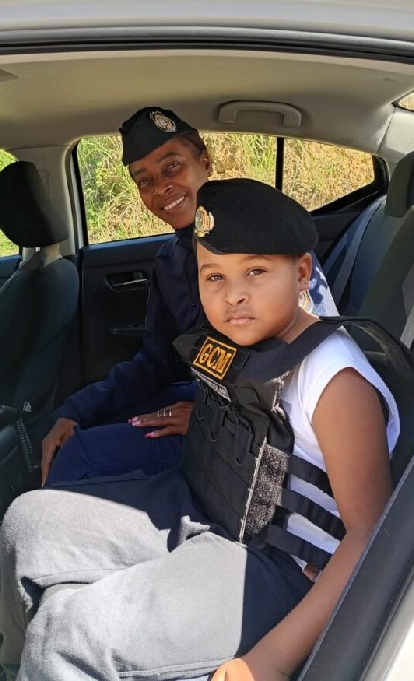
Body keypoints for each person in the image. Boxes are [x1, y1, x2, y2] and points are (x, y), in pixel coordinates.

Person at [0, 177, 399, 681]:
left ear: (301, 273)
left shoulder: (334, 382)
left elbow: (372, 535)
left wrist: (272, 660)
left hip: (280, 565)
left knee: (66, 634)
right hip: (208, 505)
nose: (233, 295)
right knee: (27, 522)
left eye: (256, 271)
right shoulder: (243, 341)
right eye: (214, 276)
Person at [43, 106, 337, 485]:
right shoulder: (170, 260)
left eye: (172, 167)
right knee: (85, 430)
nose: (160, 187)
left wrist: (213, 416)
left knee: (79, 457)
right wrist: (77, 410)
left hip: (259, 430)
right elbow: (157, 360)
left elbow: (308, 361)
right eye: (144, 180)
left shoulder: (266, 237)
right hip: (209, 396)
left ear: (205, 161)